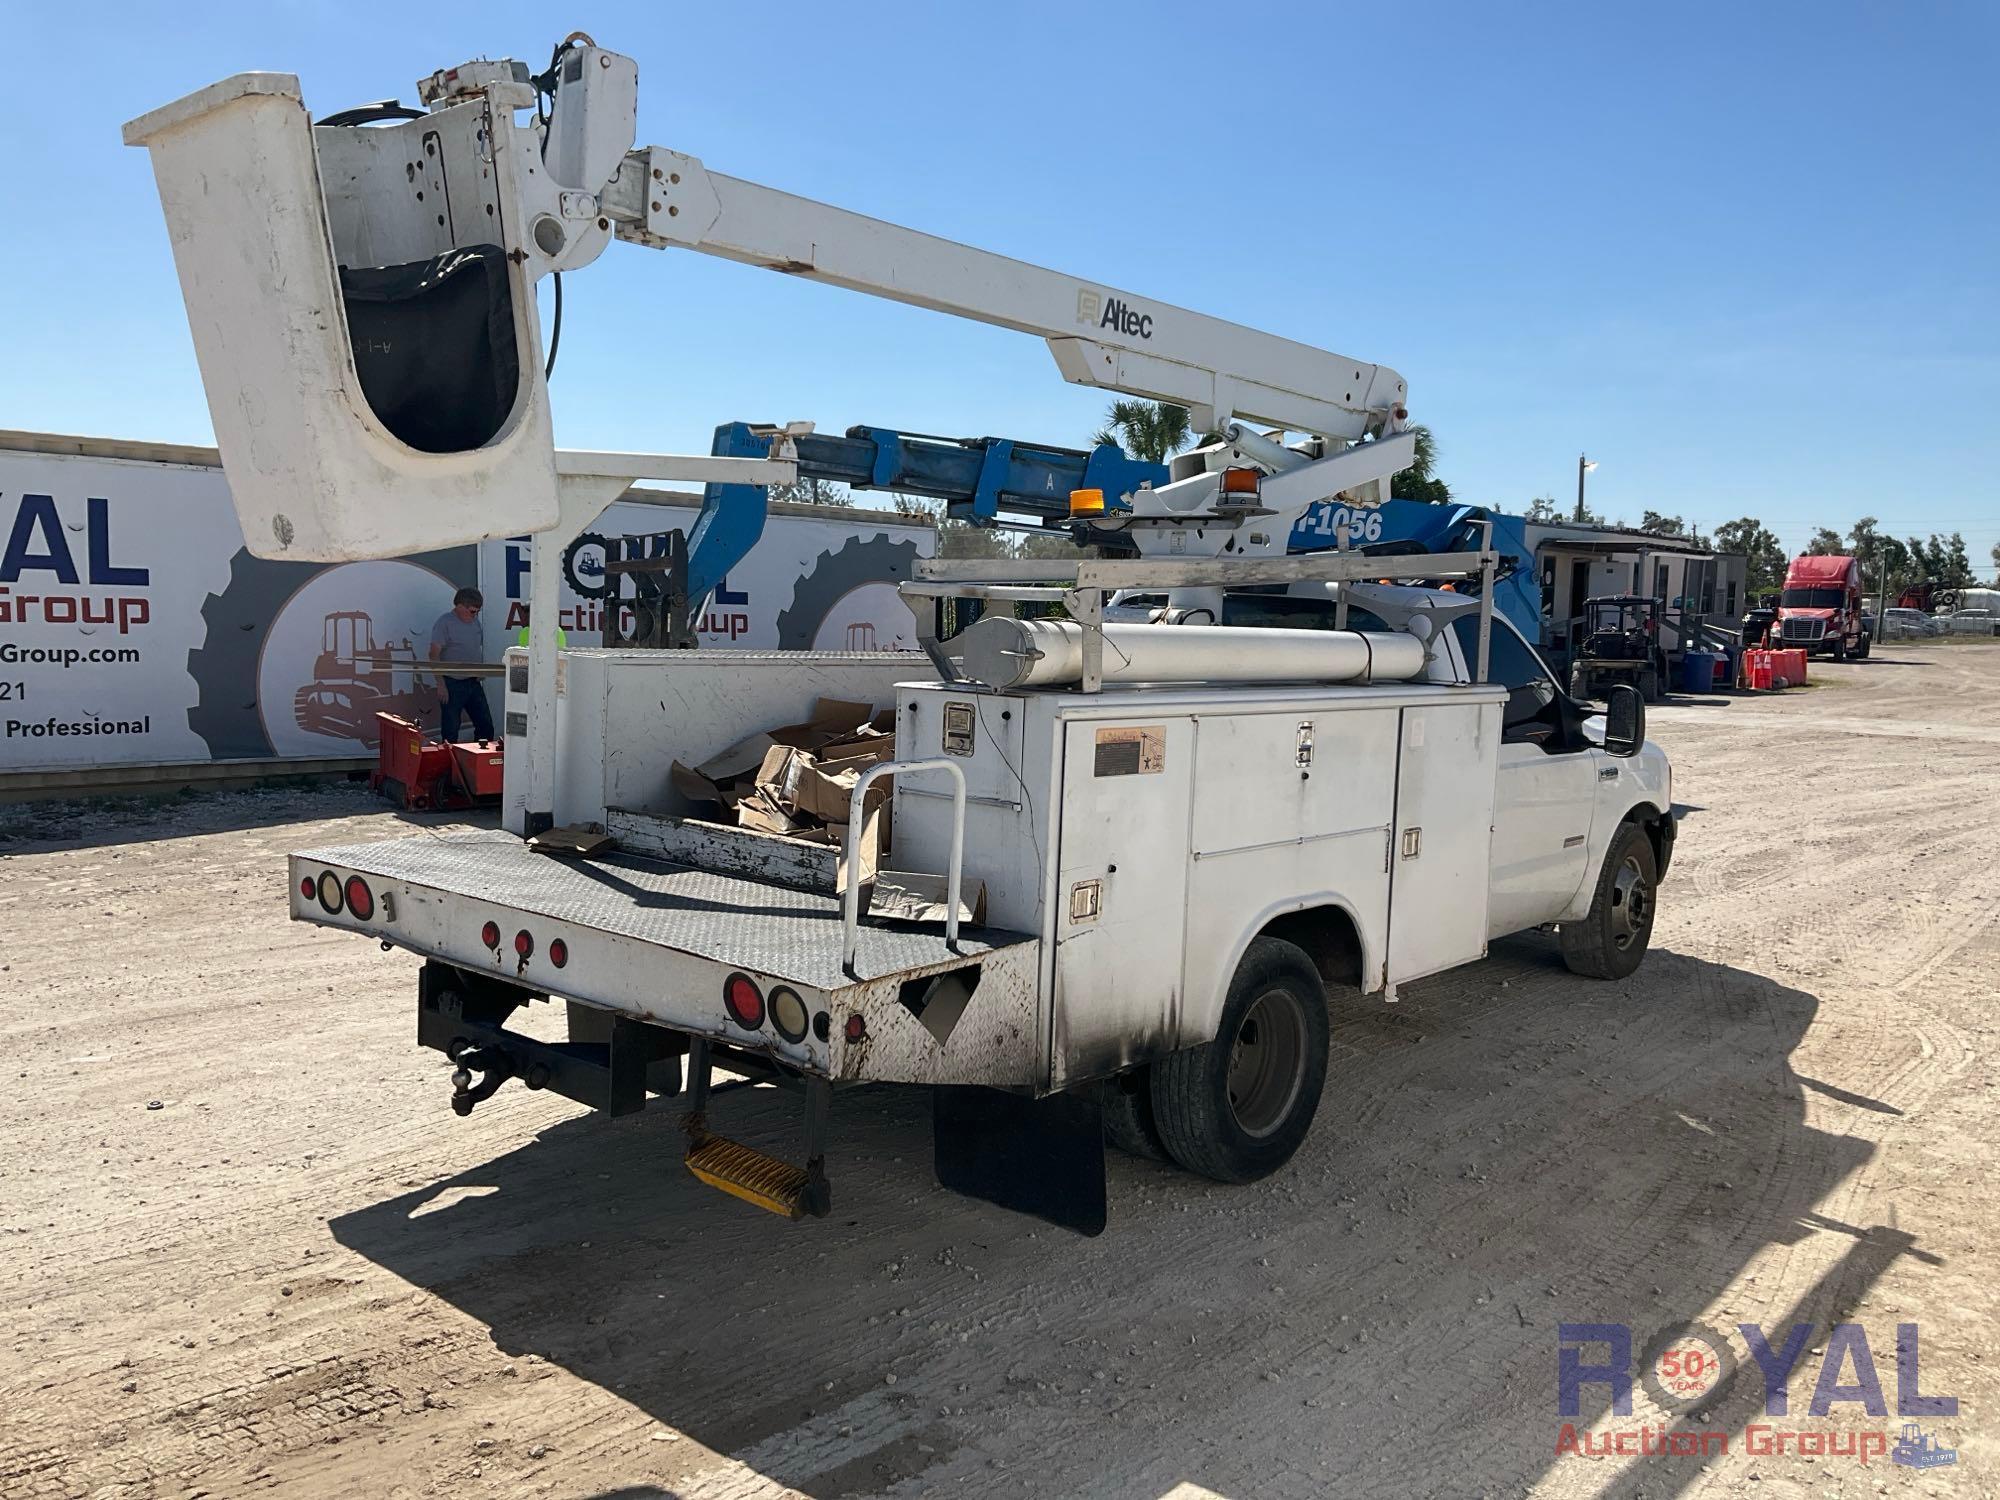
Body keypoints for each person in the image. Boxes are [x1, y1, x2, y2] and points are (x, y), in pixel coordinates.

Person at [428, 587, 494, 743]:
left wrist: (479, 671)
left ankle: (480, 762)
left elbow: (474, 648)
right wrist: (441, 684)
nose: (475, 615)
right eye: (472, 611)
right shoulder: (444, 623)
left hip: (473, 682)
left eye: (477, 612)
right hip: (452, 683)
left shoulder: (475, 623)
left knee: (485, 726)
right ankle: (450, 765)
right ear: (460, 606)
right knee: (451, 729)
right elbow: (433, 654)